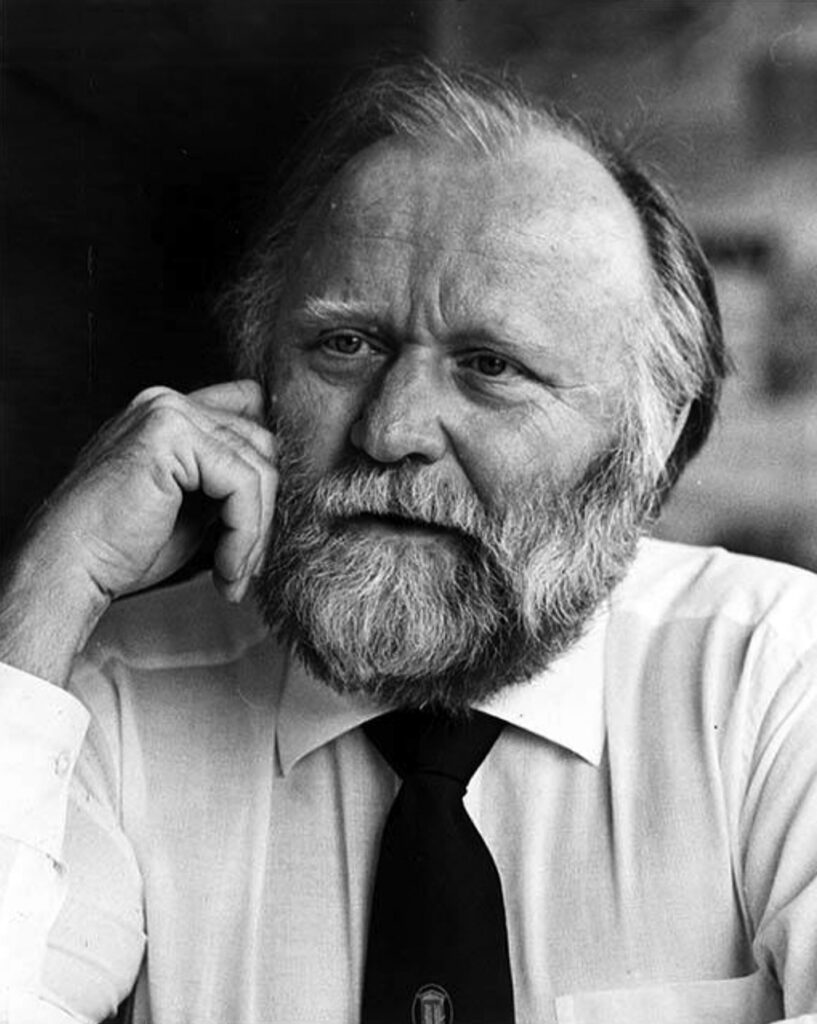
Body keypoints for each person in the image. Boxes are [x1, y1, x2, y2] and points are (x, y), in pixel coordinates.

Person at [1, 57, 816, 1024]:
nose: (391, 430)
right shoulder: (104, 699)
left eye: (490, 366)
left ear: (656, 441)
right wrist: (50, 583)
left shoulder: (777, 676)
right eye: (344, 345)